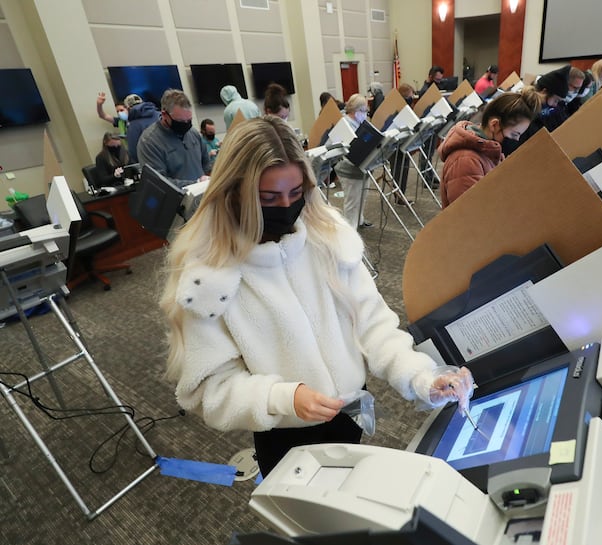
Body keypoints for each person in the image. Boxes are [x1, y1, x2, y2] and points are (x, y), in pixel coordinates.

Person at [159, 116, 474, 477]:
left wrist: (422, 376)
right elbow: (211, 389)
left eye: (296, 194)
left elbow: (373, 327)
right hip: (285, 435)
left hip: (348, 414)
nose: (287, 206)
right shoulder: (209, 278)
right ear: (235, 193)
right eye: (268, 198)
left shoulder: (326, 237)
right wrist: (285, 398)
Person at [438, 93, 533, 208]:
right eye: (514, 134)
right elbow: (468, 214)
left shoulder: (489, 151)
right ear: (494, 125)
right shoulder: (465, 160)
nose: (516, 140)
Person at [137, 89, 210, 188]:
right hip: (176, 200)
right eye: (180, 121)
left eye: (189, 120)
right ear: (164, 115)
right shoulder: (149, 142)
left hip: (201, 194)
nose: (185, 125)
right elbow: (158, 182)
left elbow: (206, 163)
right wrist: (195, 184)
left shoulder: (192, 133)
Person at [333, 94, 372, 229]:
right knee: (352, 200)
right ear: (357, 111)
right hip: (348, 168)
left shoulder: (359, 123)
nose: (366, 114)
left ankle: (359, 220)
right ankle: (350, 228)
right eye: (364, 111)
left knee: (362, 196)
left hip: (362, 166)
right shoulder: (344, 124)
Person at [391, 83, 416, 205]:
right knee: (398, 170)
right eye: (410, 97)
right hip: (395, 145)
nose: (412, 99)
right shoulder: (397, 108)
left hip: (404, 143)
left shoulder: (406, 108)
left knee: (404, 169)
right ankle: (398, 196)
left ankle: (402, 195)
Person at [123, 93, 160, 163]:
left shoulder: (133, 126)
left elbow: (134, 152)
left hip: (151, 163)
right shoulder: (160, 115)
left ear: (128, 108)